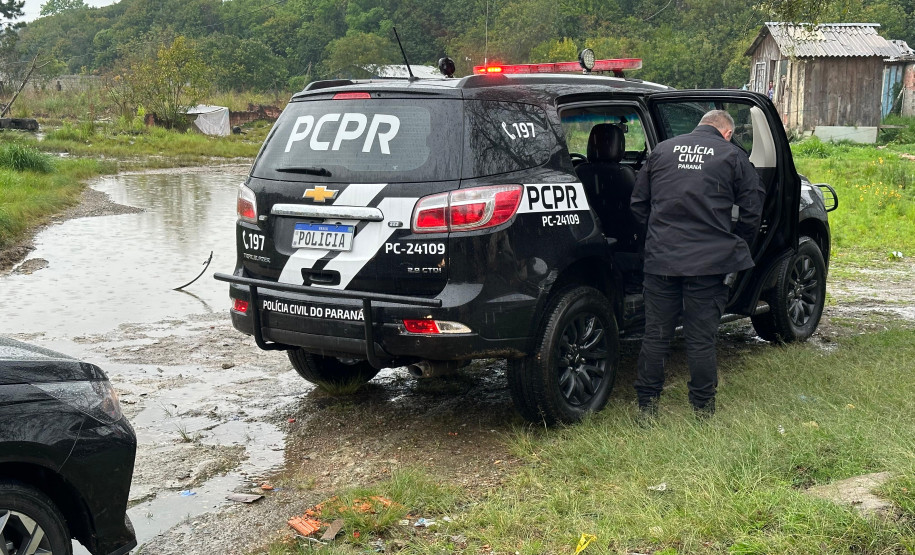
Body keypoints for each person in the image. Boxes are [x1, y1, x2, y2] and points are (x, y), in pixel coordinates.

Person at [630, 109, 764, 418]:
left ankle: (646, 408)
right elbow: (752, 209)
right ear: (727, 132)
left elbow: (638, 204)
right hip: (709, 264)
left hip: (661, 261)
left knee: (656, 336)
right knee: (701, 339)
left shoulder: (662, 150)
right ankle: (702, 410)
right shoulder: (732, 155)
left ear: (701, 125)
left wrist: (656, 237)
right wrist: (735, 243)